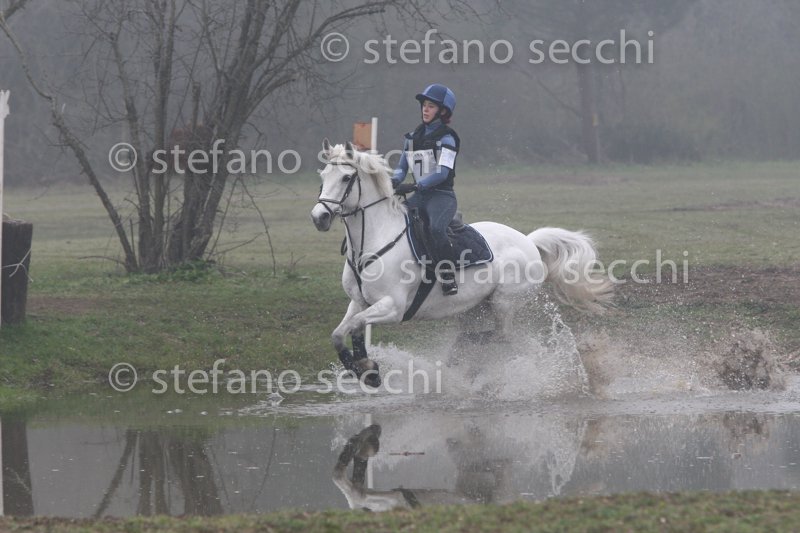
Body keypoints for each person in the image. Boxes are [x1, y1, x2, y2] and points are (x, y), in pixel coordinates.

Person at [392, 83, 461, 296]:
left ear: (443, 111)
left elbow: (442, 173)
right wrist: (393, 181)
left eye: (431, 106)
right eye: (424, 105)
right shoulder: (412, 138)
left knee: (436, 229)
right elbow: (401, 168)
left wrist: (416, 185)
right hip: (420, 197)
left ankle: (448, 276)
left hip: (441, 197)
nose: (425, 109)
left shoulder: (447, 139)